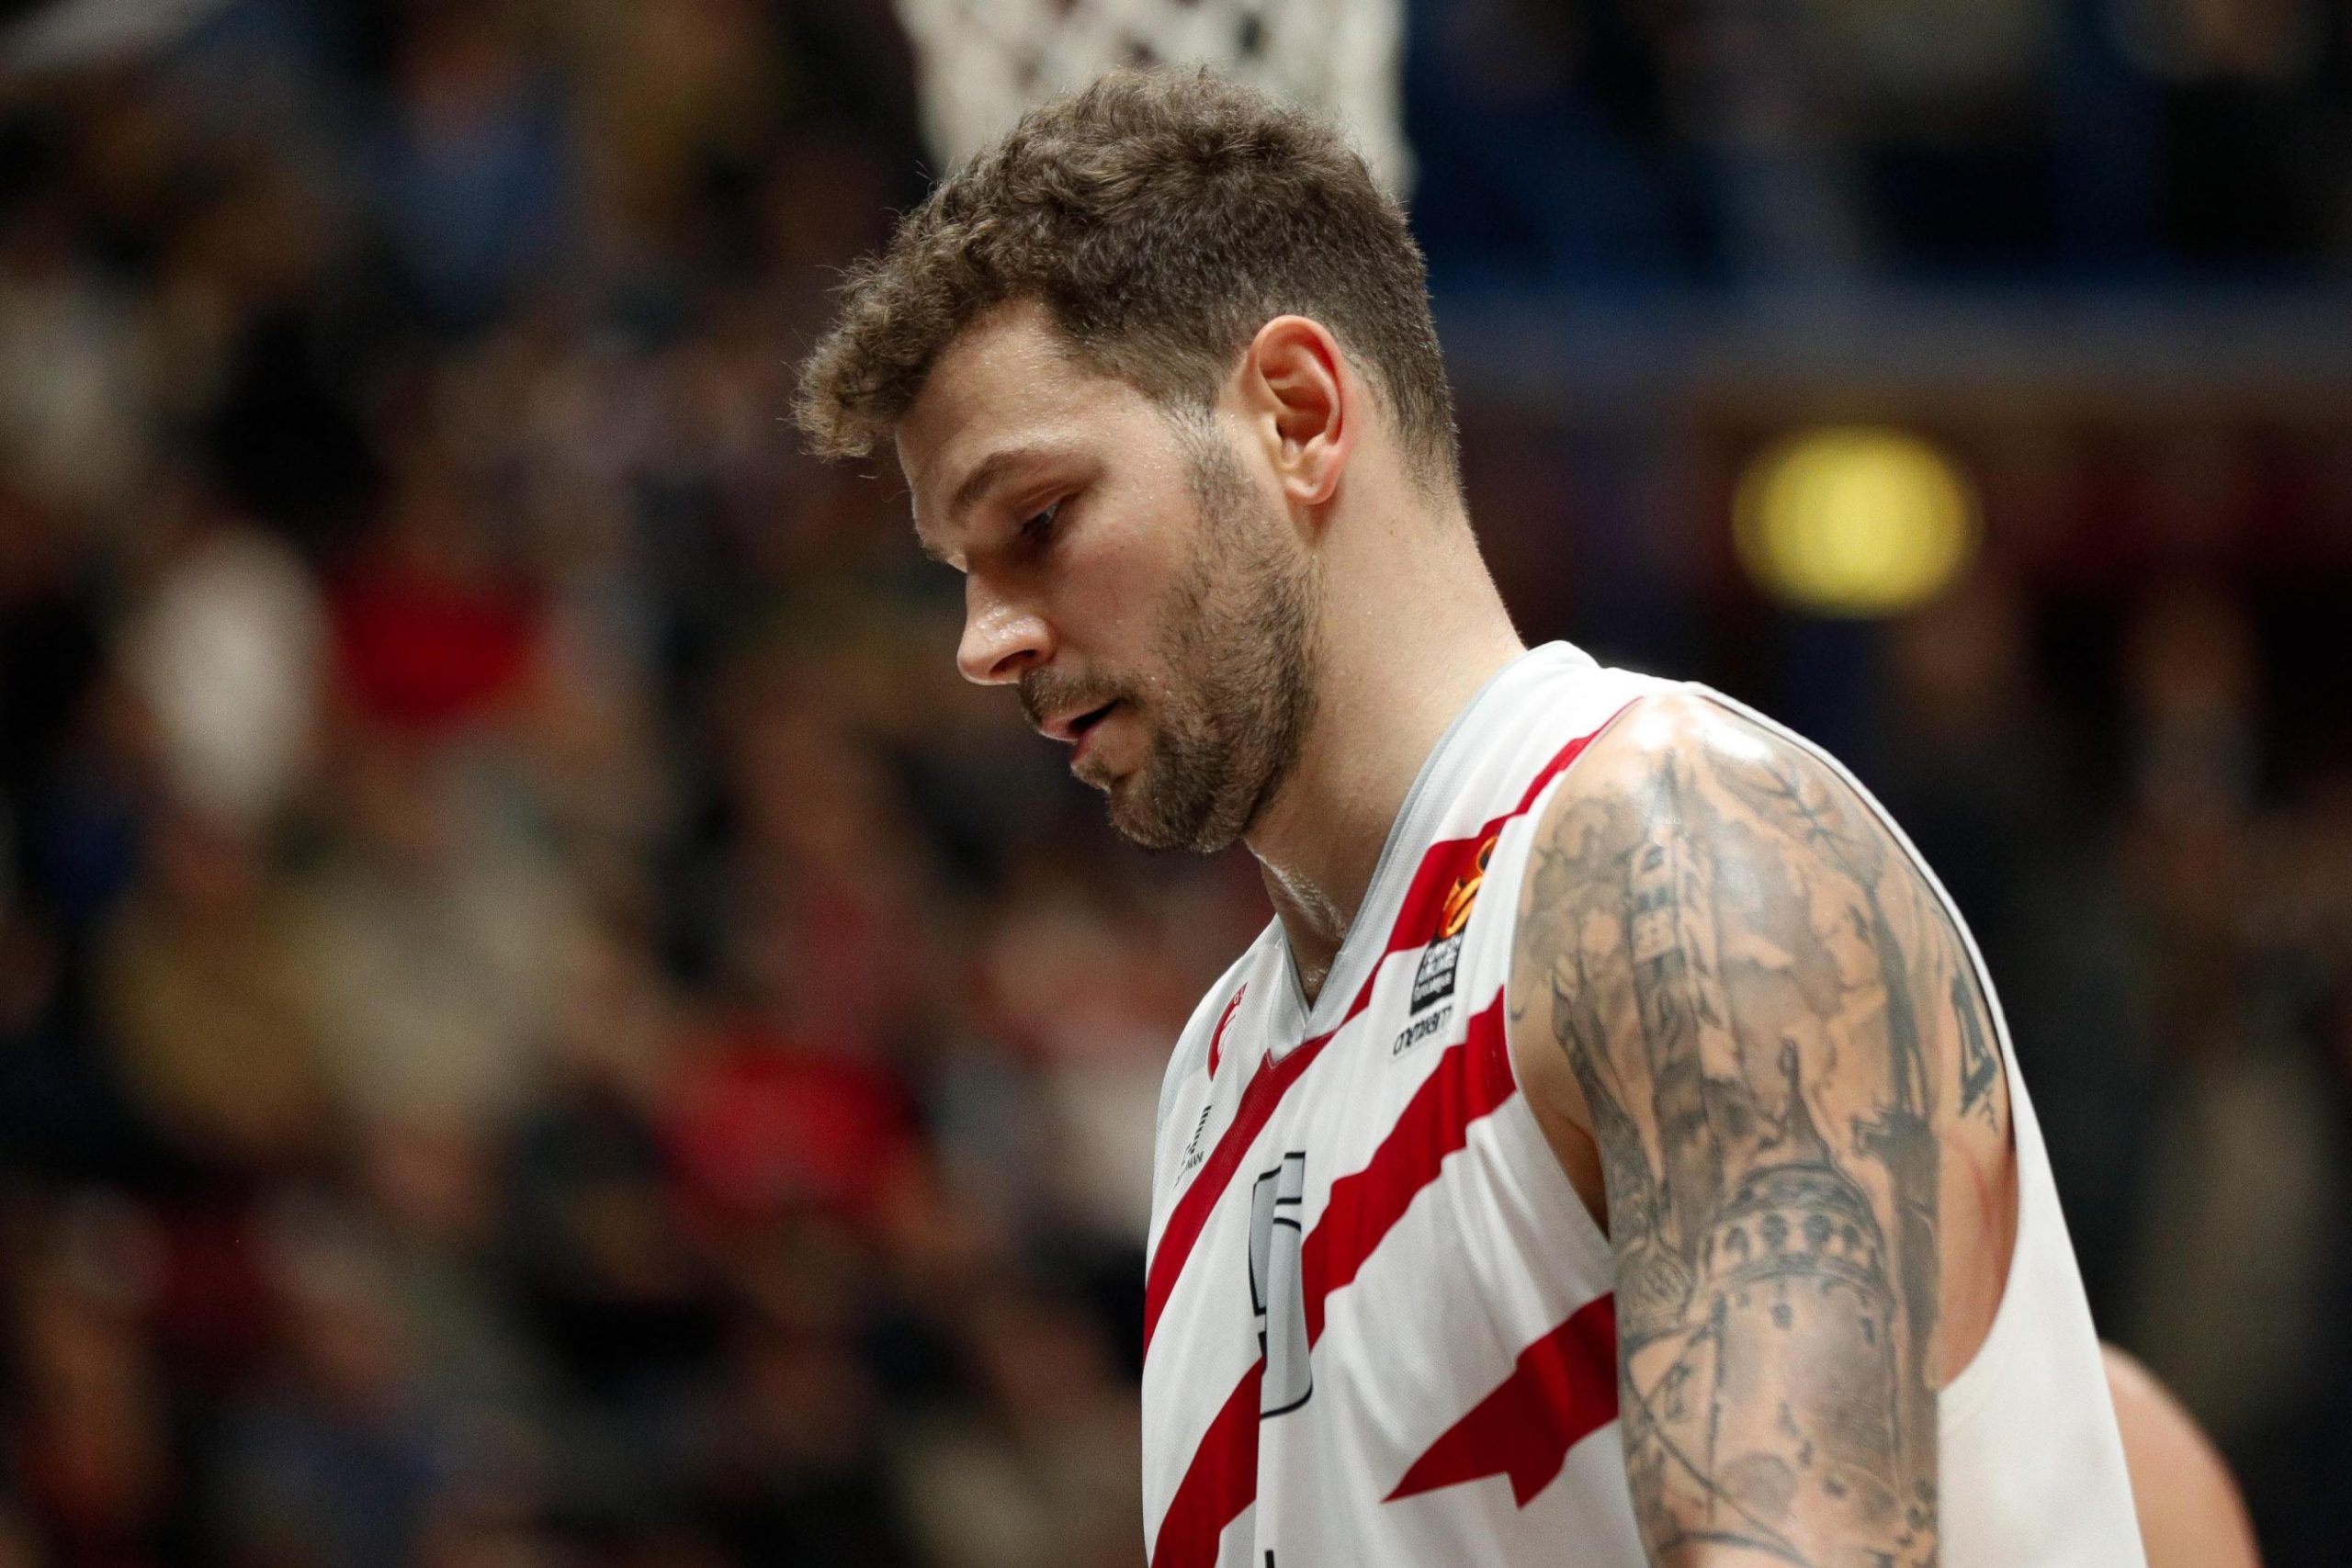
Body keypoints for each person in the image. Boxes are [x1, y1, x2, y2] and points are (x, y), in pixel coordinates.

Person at [796, 67, 2172, 1568]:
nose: (982, 641)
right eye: (963, 571)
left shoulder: (1670, 844)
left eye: (1040, 521)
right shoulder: (1216, 1073)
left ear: (1299, 414)